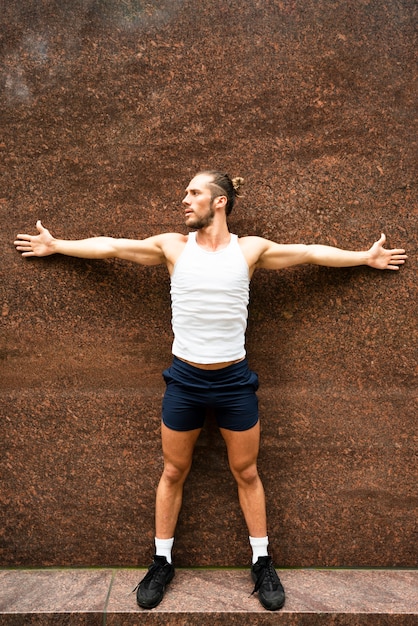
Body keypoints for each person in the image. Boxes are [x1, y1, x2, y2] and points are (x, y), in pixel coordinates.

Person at [14, 170, 407, 611]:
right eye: (185, 192)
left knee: (247, 472)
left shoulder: (250, 249)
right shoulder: (172, 247)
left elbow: (310, 254)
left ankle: (262, 561)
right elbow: (112, 245)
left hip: (234, 383)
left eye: (194, 193)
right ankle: (162, 561)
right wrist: (58, 245)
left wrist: (363, 258)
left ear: (219, 202)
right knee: (172, 471)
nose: (184, 200)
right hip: (184, 381)